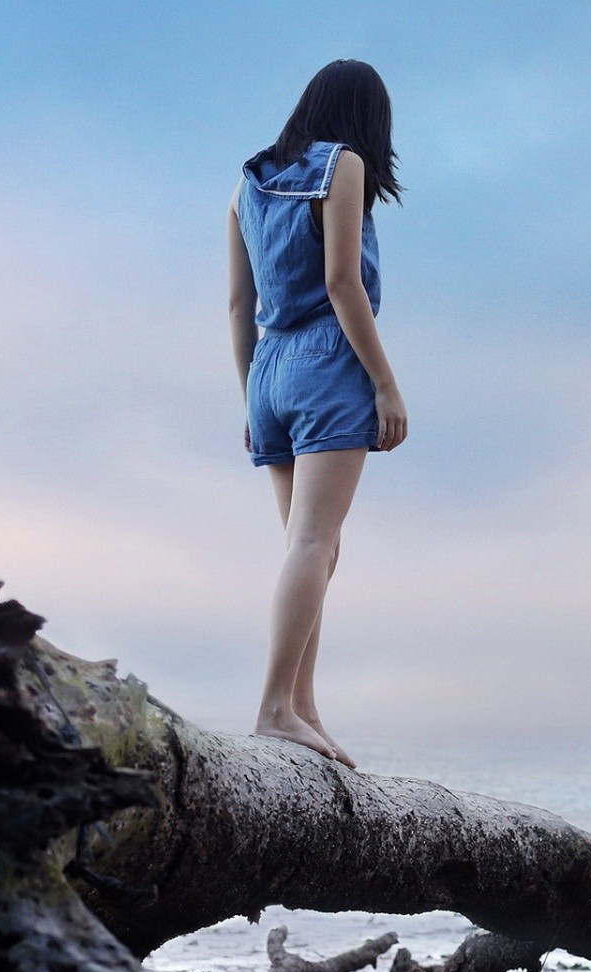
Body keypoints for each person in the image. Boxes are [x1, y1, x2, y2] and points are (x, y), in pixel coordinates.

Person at [228, 59, 407, 769]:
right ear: (367, 115)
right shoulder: (345, 164)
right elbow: (341, 282)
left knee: (314, 548)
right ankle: (275, 707)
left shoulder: (247, 181)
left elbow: (240, 304)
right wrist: (386, 385)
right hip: (327, 362)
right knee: (313, 545)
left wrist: (249, 394)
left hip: (269, 369)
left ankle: (301, 709)